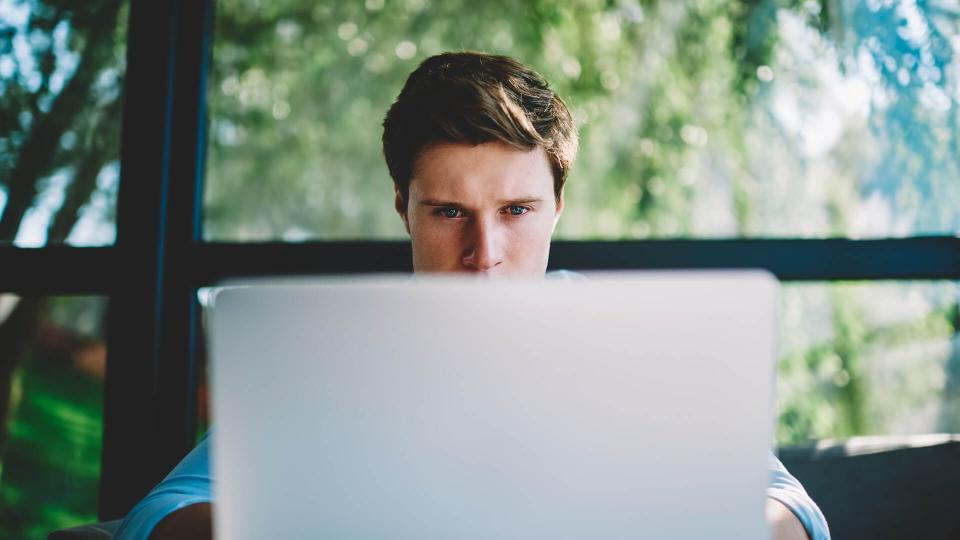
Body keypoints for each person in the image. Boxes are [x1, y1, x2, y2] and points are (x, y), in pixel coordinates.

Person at [115, 51, 830, 540]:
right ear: (404, 208)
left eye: (516, 211)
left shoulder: (634, 345)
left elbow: (795, 513)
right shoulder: (336, 353)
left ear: (557, 207)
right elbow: (156, 517)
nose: (484, 255)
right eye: (450, 212)